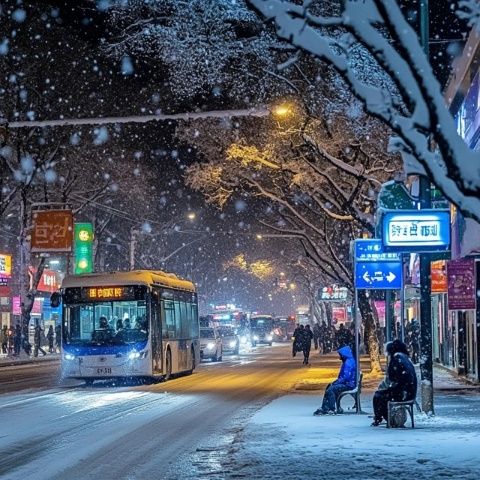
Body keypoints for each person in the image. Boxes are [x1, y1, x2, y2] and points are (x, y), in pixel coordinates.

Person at [371, 339, 417, 426]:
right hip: (409, 392)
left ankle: (380, 418)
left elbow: (392, 377)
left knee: (378, 396)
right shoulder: (404, 358)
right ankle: (386, 418)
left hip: (403, 392)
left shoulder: (396, 359)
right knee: (384, 395)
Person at [313, 345, 356, 415]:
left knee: (331, 390)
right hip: (349, 383)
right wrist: (335, 382)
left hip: (349, 384)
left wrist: (336, 382)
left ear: (344, 355)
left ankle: (330, 408)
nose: (339, 357)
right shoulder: (348, 361)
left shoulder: (348, 363)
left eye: (340, 355)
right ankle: (325, 407)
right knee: (329, 387)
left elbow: (345, 377)